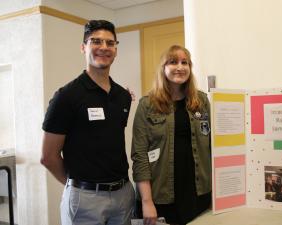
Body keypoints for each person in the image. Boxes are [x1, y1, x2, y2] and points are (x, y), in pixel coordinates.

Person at [40, 20, 134, 225]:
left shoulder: (123, 96)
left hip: (124, 195)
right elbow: (48, 156)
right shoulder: (66, 96)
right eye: (96, 41)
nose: (104, 47)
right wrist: (77, 186)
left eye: (110, 43)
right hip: (85, 199)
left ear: (116, 50)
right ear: (83, 47)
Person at [131, 45, 211, 225]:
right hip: (160, 195)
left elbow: (215, 147)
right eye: (173, 62)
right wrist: (147, 201)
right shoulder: (147, 105)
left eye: (185, 62)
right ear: (163, 68)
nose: (180, 67)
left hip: (198, 192)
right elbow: (140, 155)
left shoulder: (201, 101)